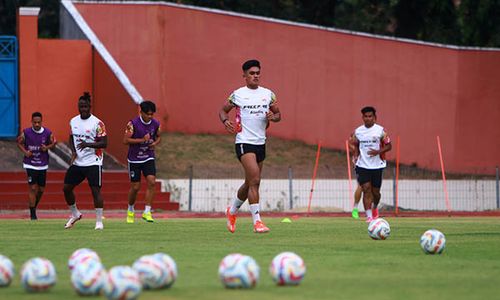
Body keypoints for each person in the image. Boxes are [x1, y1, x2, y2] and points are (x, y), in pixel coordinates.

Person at [219, 59, 281, 233]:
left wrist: (272, 117)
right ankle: (257, 222)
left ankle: (231, 212)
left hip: (261, 142)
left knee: (250, 183)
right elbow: (223, 110)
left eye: (257, 73)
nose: (255, 76)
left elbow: (278, 115)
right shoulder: (238, 94)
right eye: (252, 73)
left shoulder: (268, 94)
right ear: (244, 76)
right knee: (255, 179)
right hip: (244, 142)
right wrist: (225, 121)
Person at [63, 92, 108, 230]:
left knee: (95, 190)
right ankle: (75, 213)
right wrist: (73, 151)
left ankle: (99, 222)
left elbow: (104, 143)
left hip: (93, 161)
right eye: (80, 106)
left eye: (85, 106)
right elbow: (71, 137)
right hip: (78, 162)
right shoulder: (73, 121)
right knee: (66, 188)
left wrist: (88, 144)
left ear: (90, 107)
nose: (83, 109)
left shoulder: (98, 123)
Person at [350, 106, 391, 223]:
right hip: (362, 165)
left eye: (370, 116)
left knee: (376, 193)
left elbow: (389, 146)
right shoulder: (358, 132)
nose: (368, 119)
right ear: (362, 118)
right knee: (366, 189)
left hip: (377, 165)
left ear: (375, 118)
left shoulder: (381, 131)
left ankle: (374, 207)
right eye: (366, 116)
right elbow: (354, 144)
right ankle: (368, 216)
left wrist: (378, 152)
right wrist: (355, 156)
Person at [123, 100, 161, 223]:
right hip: (134, 159)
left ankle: (147, 211)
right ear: (141, 112)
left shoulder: (155, 124)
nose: (150, 116)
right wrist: (141, 140)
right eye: (148, 114)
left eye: (152, 114)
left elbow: (159, 136)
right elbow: (125, 140)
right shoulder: (132, 123)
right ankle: (130, 210)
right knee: (135, 187)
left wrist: (154, 143)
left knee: (152, 182)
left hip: (148, 157)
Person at [16, 112, 56, 220]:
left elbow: (54, 144)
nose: (37, 124)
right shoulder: (26, 132)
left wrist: (47, 147)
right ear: (31, 122)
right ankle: (33, 214)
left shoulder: (48, 132)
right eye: (35, 122)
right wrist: (25, 152)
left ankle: (33, 206)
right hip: (30, 164)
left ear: (41, 122)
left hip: (43, 164)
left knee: (41, 189)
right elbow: (19, 142)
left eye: (39, 122)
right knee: (33, 188)